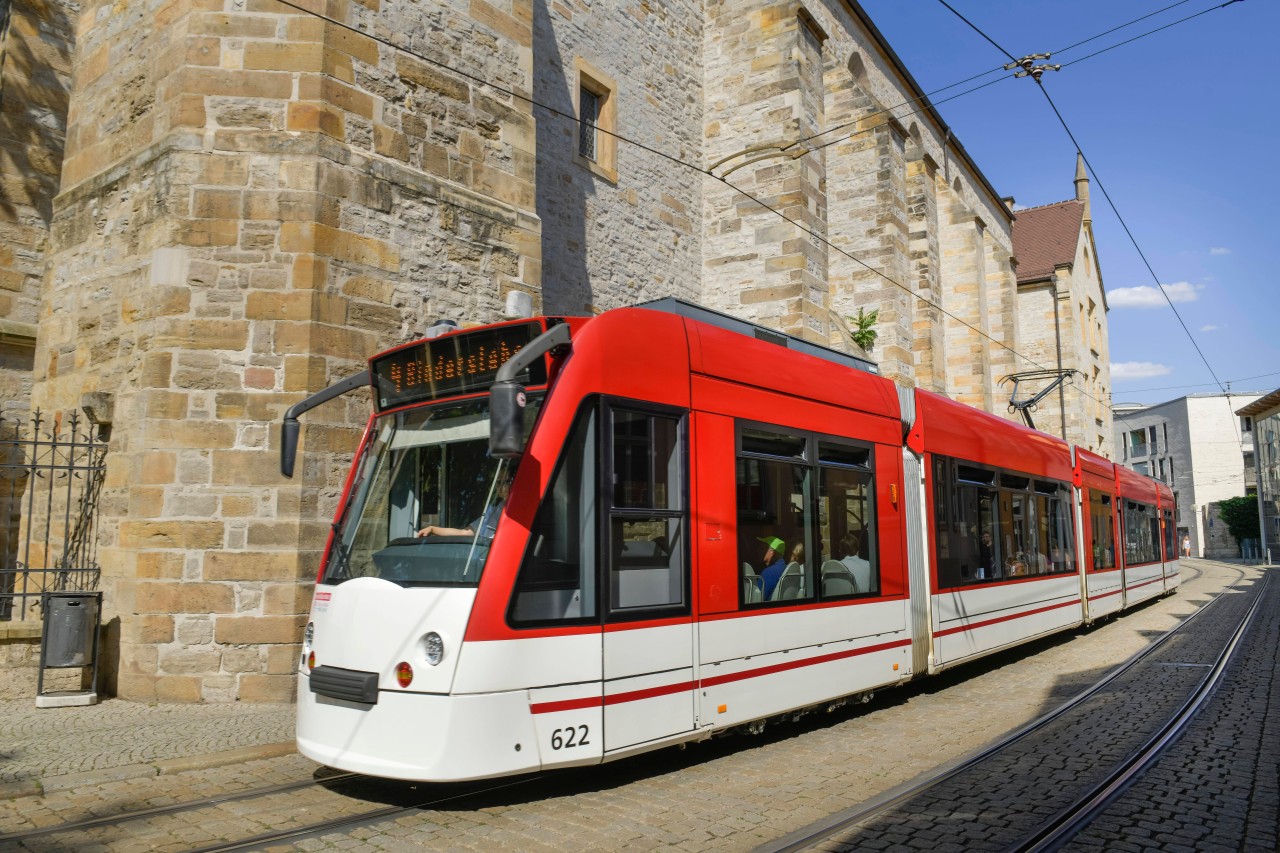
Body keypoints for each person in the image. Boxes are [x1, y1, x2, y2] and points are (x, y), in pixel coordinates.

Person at [417, 474, 510, 539]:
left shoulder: (519, 509)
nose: (500, 487)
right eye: (498, 483)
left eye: (505, 482)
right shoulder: (493, 511)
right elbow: (464, 533)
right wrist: (433, 529)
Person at [757, 535, 788, 599]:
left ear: (772, 552)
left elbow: (756, 599)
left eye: (762, 548)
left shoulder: (769, 573)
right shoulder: (786, 568)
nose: (758, 551)